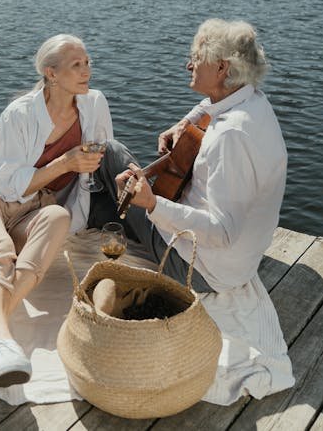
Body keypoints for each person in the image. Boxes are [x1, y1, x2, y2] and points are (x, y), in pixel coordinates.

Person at [0, 34, 113, 389]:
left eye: (88, 61)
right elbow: (11, 184)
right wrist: (66, 162)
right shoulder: (19, 114)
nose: (87, 70)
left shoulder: (94, 104)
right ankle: (1, 340)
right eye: (77, 64)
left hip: (40, 205)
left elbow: (100, 153)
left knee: (59, 219)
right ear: (51, 74)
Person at [91, 18, 288, 295]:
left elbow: (223, 232)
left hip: (200, 269)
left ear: (222, 67)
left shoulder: (228, 136)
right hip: (240, 262)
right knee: (116, 191)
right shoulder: (255, 101)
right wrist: (185, 121)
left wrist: (153, 204)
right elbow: (211, 104)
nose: (188, 65)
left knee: (111, 153)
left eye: (196, 58)